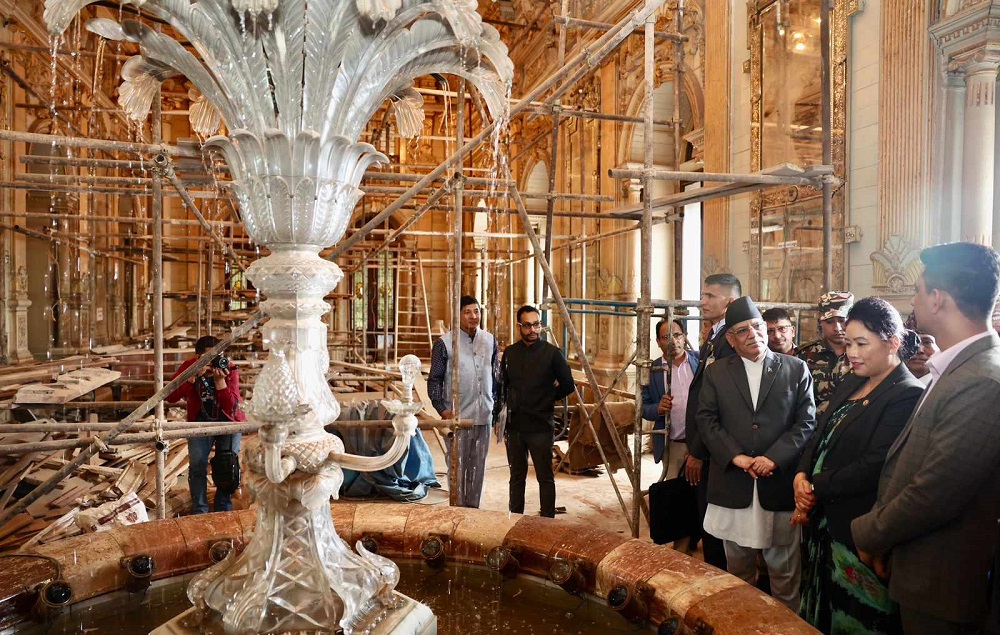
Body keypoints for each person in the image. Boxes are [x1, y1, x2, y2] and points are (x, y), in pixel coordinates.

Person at [851, 242, 1000, 635]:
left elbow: (935, 492)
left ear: (938, 298)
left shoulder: (983, 379)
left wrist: (869, 534)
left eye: (917, 291)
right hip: (914, 563)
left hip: (942, 581)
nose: (913, 301)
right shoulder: (955, 367)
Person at [795, 297, 924, 634]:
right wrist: (801, 474)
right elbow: (821, 431)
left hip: (856, 532)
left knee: (854, 620)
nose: (851, 352)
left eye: (862, 344)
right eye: (849, 343)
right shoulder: (853, 380)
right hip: (822, 524)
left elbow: (874, 465)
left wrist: (815, 486)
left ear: (892, 343)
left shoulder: (906, 393)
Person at [697, 296, 816, 610]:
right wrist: (736, 457)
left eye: (756, 326)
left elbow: (806, 421)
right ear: (731, 339)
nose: (753, 334)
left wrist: (774, 457)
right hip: (734, 484)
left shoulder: (795, 369)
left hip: (778, 484)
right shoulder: (717, 373)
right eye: (743, 330)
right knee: (738, 573)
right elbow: (706, 420)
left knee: (785, 573)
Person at [685, 272, 742, 570]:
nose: (703, 302)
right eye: (703, 295)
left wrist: (698, 450)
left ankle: (717, 577)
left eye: (710, 296)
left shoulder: (728, 341)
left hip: (710, 450)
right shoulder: (715, 335)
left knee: (714, 522)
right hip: (704, 444)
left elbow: (718, 405)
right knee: (705, 515)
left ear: (729, 302)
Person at [497, 305, 575, 518]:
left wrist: (547, 398)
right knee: (516, 477)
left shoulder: (552, 354)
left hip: (541, 426)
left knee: (545, 477)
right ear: (519, 326)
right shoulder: (510, 353)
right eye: (527, 325)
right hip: (515, 427)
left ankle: (547, 522)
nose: (533, 330)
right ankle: (515, 520)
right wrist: (500, 417)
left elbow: (568, 385)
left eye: (536, 325)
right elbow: (503, 386)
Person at [427, 295, 499, 508]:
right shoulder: (444, 344)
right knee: (457, 468)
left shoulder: (490, 340)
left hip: (484, 415)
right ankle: (457, 512)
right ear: (458, 315)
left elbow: (496, 377)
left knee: (478, 468)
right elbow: (434, 379)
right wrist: (443, 409)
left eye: (476, 311)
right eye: (467, 312)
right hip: (457, 417)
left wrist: (495, 408)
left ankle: (473, 511)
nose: (473, 316)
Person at [167, 335, 246, 515]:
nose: (213, 362)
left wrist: (220, 383)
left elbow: (233, 408)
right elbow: (171, 396)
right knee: (197, 464)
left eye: (217, 357)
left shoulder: (229, 368)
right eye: (207, 358)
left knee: (227, 464)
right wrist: (192, 376)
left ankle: (223, 509)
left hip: (228, 421)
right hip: (200, 421)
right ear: (198, 358)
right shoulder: (190, 367)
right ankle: (200, 510)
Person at [642, 318, 699, 552]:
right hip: (673, 442)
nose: (673, 341)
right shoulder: (653, 370)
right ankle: (681, 550)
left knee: (703, 494)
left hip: (701, 443)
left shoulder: (700, 362)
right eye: (666, 337)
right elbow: (642, 407)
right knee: (678, 497)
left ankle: (699, 540)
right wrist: (657, 408)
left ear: (684, 336)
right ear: (658, 341)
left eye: (677, 335)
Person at [797, 292, 855, 414]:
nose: (837, 328)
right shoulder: (804, 355)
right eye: (829, 322)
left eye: (842, 320)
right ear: (820, 322)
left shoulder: (864, 354)